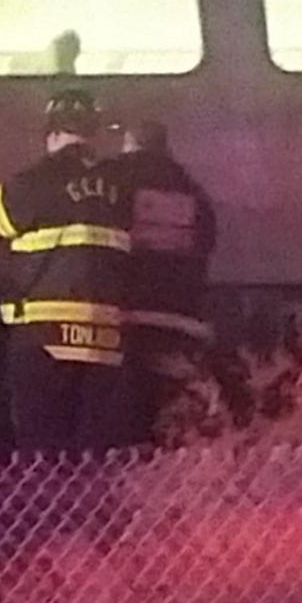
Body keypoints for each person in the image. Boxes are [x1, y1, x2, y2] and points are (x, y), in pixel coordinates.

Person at [0, 90, 140, 454]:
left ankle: (44, 508)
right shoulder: (121, 188)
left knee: (42, 445)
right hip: (104, 337)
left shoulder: (31, 181)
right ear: (93, 135)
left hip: (43, 332)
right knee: (94, 449)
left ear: (51, 134)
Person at [110, 116, 219, 434]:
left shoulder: (112, 180)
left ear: (130, 144)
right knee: (170, 406)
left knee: (124, 407)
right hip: (182, 317)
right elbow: (205, 244)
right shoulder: (192, 190)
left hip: (126, 314)